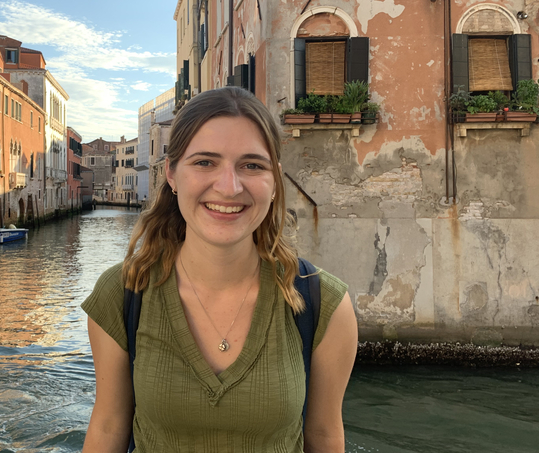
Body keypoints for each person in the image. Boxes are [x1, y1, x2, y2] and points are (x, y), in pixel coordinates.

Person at [81, 87, 357, 452]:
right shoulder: (122, 292)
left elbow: (323, 436)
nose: (229, 187)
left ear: (274, 180)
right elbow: (107, 429)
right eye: (205, 162)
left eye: (252, 165)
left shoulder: (325, 304)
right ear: (173, 175)